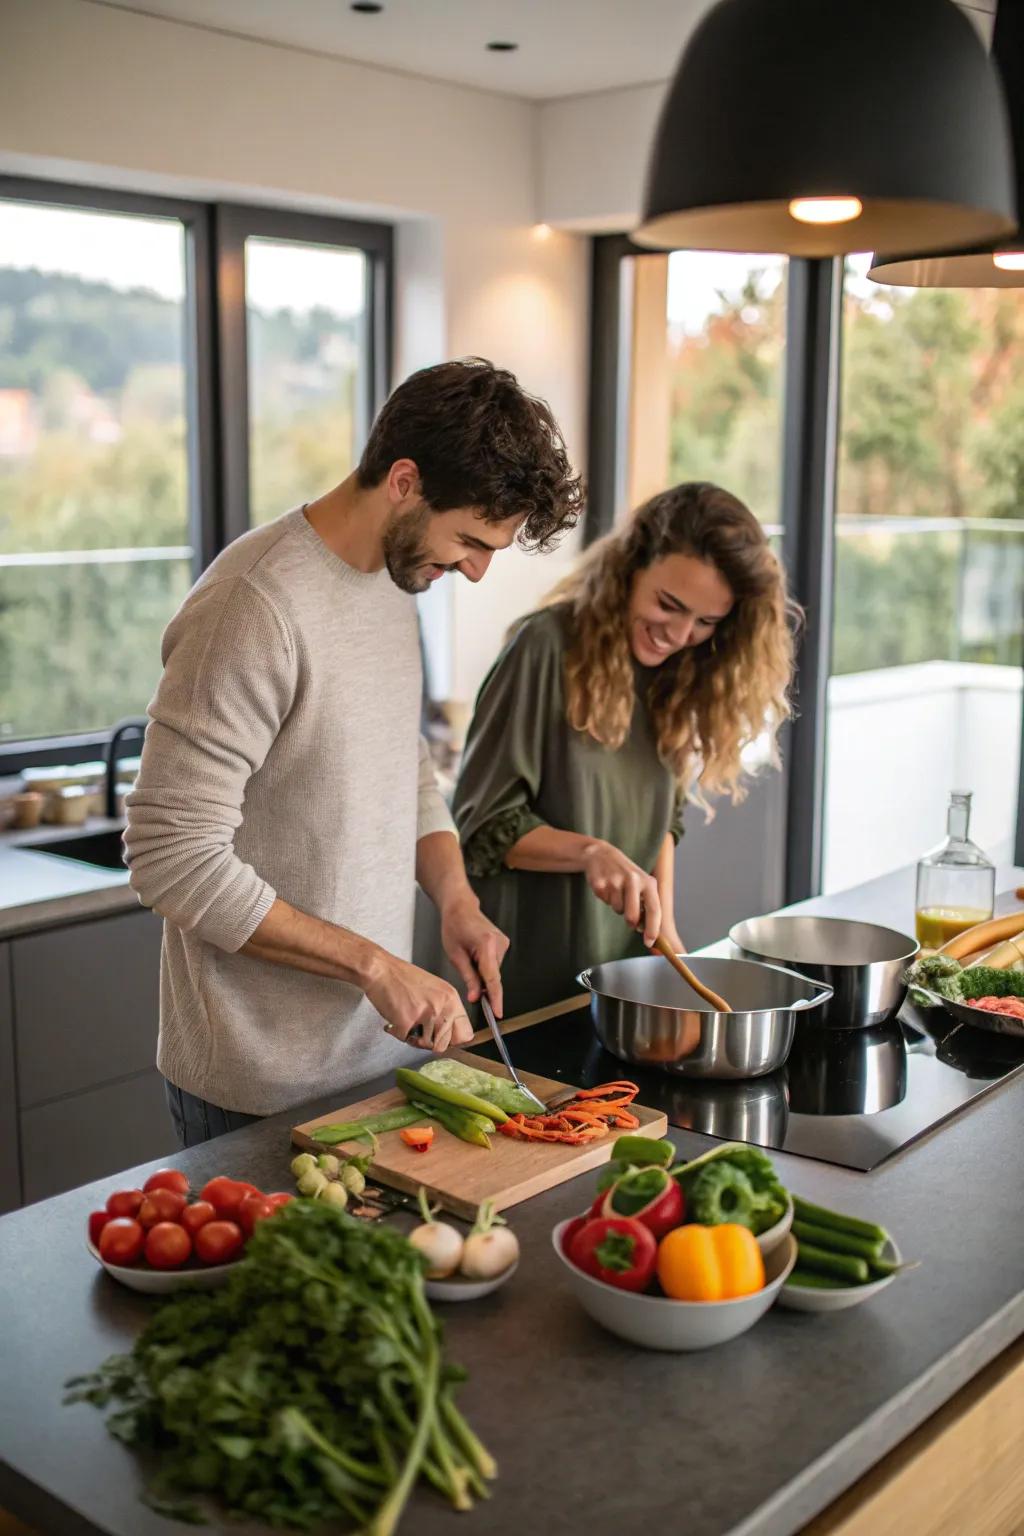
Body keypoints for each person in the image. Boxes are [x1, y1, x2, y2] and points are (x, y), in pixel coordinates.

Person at [124, 358, 583, 1145]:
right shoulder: (253, 606)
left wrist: (456, 900)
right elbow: (169, 854)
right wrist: (374, 965)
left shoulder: (393, 582)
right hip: (257, 1086)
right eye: (470, 540)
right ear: (404, 482)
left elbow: (402, 767)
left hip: (376, 1064)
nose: (475, 571)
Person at [452, 481, 797, 1018]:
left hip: (628, 979)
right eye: (669, 604)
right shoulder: (545, 647)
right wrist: (592, 853)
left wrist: (667, 927)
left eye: (706, 622)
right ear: (630, 567)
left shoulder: (683, 674)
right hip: (535, 984)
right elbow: (484, 828)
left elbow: (663, 820)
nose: (679, 633)